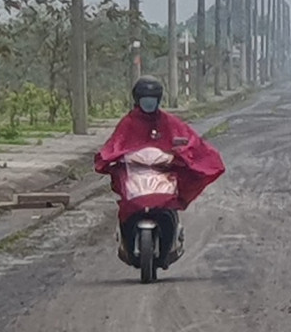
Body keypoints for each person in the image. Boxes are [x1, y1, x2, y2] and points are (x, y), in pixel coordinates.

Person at [94, 76, 225, 262]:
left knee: (169, 202)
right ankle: (126, 243)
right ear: (137, 99)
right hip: (136, 176)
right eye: (145, 98)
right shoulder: (128, 123)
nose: (149, 103)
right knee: (127, 207)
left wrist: (185, 154)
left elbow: (190, 140)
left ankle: (171, 242)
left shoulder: (169, 121)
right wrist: (109, 158)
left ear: (159, 99)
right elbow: (115, 144)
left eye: (152, 99)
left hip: (163, 175)